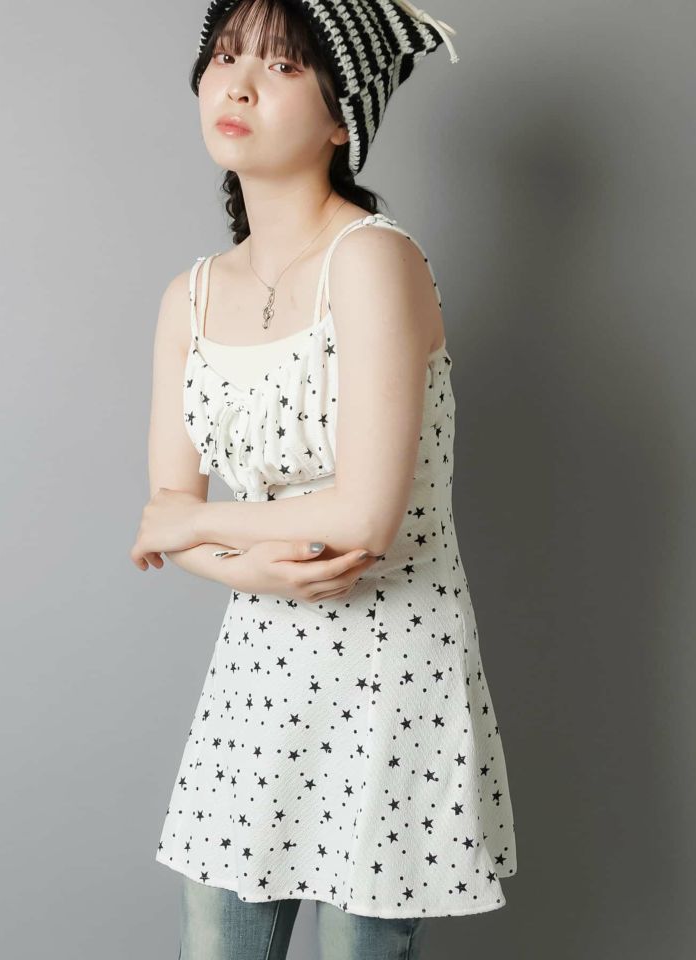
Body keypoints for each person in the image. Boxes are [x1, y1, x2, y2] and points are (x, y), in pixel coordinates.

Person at [130, 1, 517, 957]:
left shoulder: (374, 260)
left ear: (344, 118)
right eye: (226, 57)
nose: (238, 84)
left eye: (281, 65)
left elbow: (362, 517)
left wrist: (188, 530)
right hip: (254, 673)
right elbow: (172, 512)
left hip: (391, 674)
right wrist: (242, 563)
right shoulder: (190, 296)